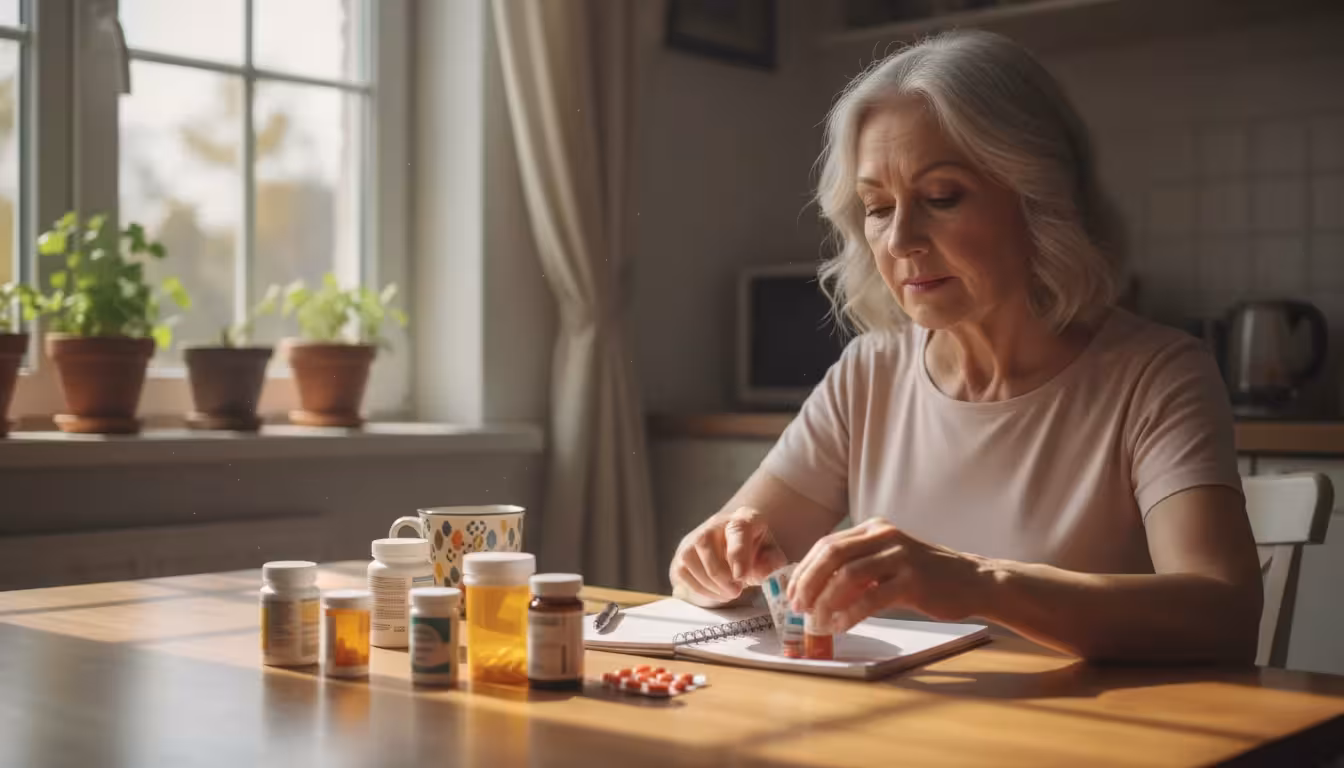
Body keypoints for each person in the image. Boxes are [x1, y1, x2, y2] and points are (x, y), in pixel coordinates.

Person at [668, 30, 1263, 663]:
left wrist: (979, 584)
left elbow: (1222, 617)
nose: (899, 240)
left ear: (1039, 200)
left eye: (941, 197)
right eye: (877, 206)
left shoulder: (1158, 376)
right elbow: (732, 562)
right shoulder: (870, 373)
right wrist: (709, 563)